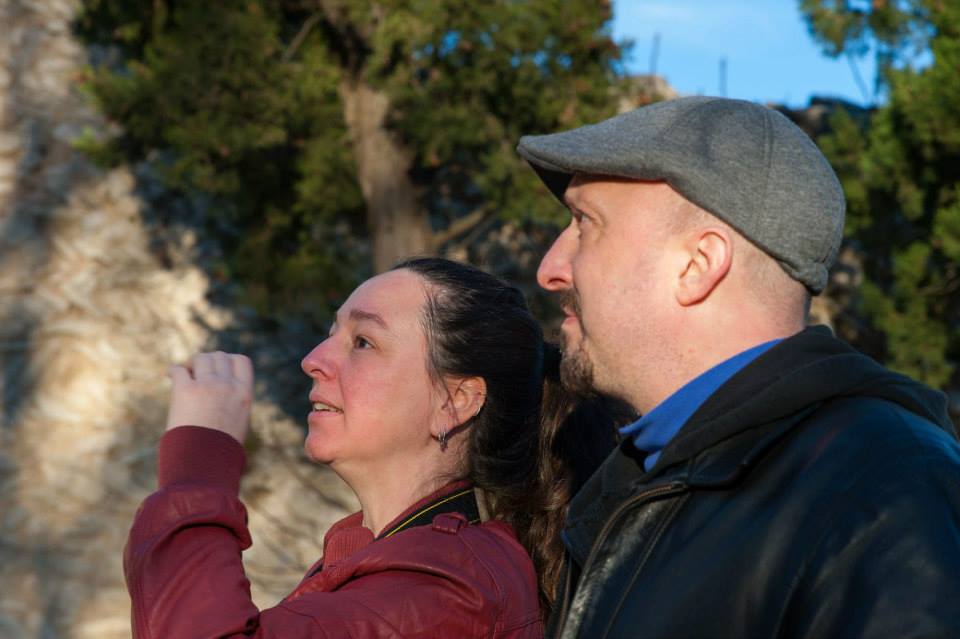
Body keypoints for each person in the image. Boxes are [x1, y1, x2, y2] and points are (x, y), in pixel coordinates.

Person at [516, 96, 960, 638]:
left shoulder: (885, 490)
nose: (550, 269)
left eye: (585, 223)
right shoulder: (639, 480)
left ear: (698, 265)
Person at [123, 257, 621, 638]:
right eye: (330, 333)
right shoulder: (403, 562)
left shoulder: (449, 588)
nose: (313, 360)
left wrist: (198, 467)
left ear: (457, 401)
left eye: (363, 342)